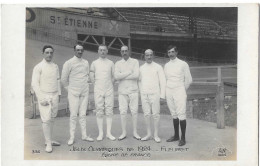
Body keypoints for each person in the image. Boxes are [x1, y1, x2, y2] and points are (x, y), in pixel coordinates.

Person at [61, 44, 94, 146]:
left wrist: (86, 86)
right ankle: (72, 137)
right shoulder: (68, 63)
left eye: (81, 50)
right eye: (78, 50)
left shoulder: (86, 62)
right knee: (73, 115)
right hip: (73, 93)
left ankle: (84, 135)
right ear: (74, 51)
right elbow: (63, 80)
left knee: (83, 115)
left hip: (84, 92)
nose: (80, 52)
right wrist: (70, 90)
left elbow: (86, 76)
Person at [31, 45, 61, 153]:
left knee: (52, 118)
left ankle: (49, 139)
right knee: (46, 120)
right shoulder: (38, 67)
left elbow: (58, 80)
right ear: (43, 53)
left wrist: (59, 94)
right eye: (47, 52)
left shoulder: (55, 66)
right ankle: (48, 143)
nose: (49, 54)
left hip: (54, 95)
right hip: (44, 95)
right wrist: (41, 98)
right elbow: (35, 84)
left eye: (51, 52)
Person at [164, 45, 192, 146]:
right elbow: (166, 79)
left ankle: (183, 138)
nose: (170, 54)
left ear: (176, 52)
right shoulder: (166, 65)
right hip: (169, 91)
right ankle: (176, 136)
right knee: (174, 114)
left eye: (172, 52)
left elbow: (189, 80)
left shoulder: (183, 64)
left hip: (179, 90)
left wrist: (181, 90)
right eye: (169, 52)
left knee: (181, 114)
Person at [139, 49, 166, 143]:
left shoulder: (158, 67)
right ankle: (148, 134)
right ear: (144, 56)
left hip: (155, 94)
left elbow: (163, 82)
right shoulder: (141, 68)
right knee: (146, 114)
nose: (149, 57)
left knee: (156, 114)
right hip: (144, 94)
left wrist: (162, 96)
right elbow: (139, 82)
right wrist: (141, 92)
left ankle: (156, 135)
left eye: (151, 55)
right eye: (147, 55)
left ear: (153, 55)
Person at [114, 45, 141, 141]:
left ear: (129, 51)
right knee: (123, 112)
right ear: (120, 52)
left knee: (134, 112)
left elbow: (137, 75)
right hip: (122, 91)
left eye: (126, 51)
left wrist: (122, 76)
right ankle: (123, 132)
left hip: (133, 90)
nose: (124, 53)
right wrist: (129, 72)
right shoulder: (117, 63)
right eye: (122, 51)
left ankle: (135, 132)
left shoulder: (135, 62)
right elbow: (116, 76)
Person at [90, 44, 116, 141]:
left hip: (109, 89)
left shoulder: (111, 63)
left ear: (107, 51)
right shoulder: (94, 63)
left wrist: (110, 84)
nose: (102, 52)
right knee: (99, 110)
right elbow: (91, 75)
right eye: (100, 50)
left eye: (104, 50)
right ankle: (100, 133)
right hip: (98, 89)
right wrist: (96, 85)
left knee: (109, 110)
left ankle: (109, 133)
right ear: (98, 51)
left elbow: (114, 76)